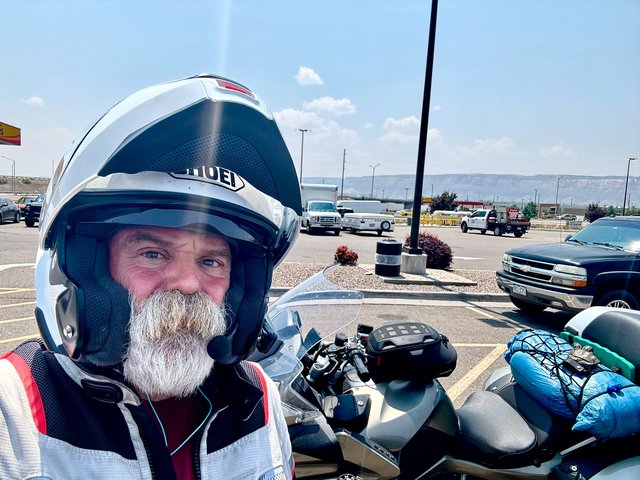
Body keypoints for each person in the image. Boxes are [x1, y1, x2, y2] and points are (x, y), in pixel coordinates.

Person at [0, 74, 302, 479]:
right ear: (84, 268)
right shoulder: (13, 411)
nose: (188, 284)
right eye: (153, 253)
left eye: (212, 262)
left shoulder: (259, 399)